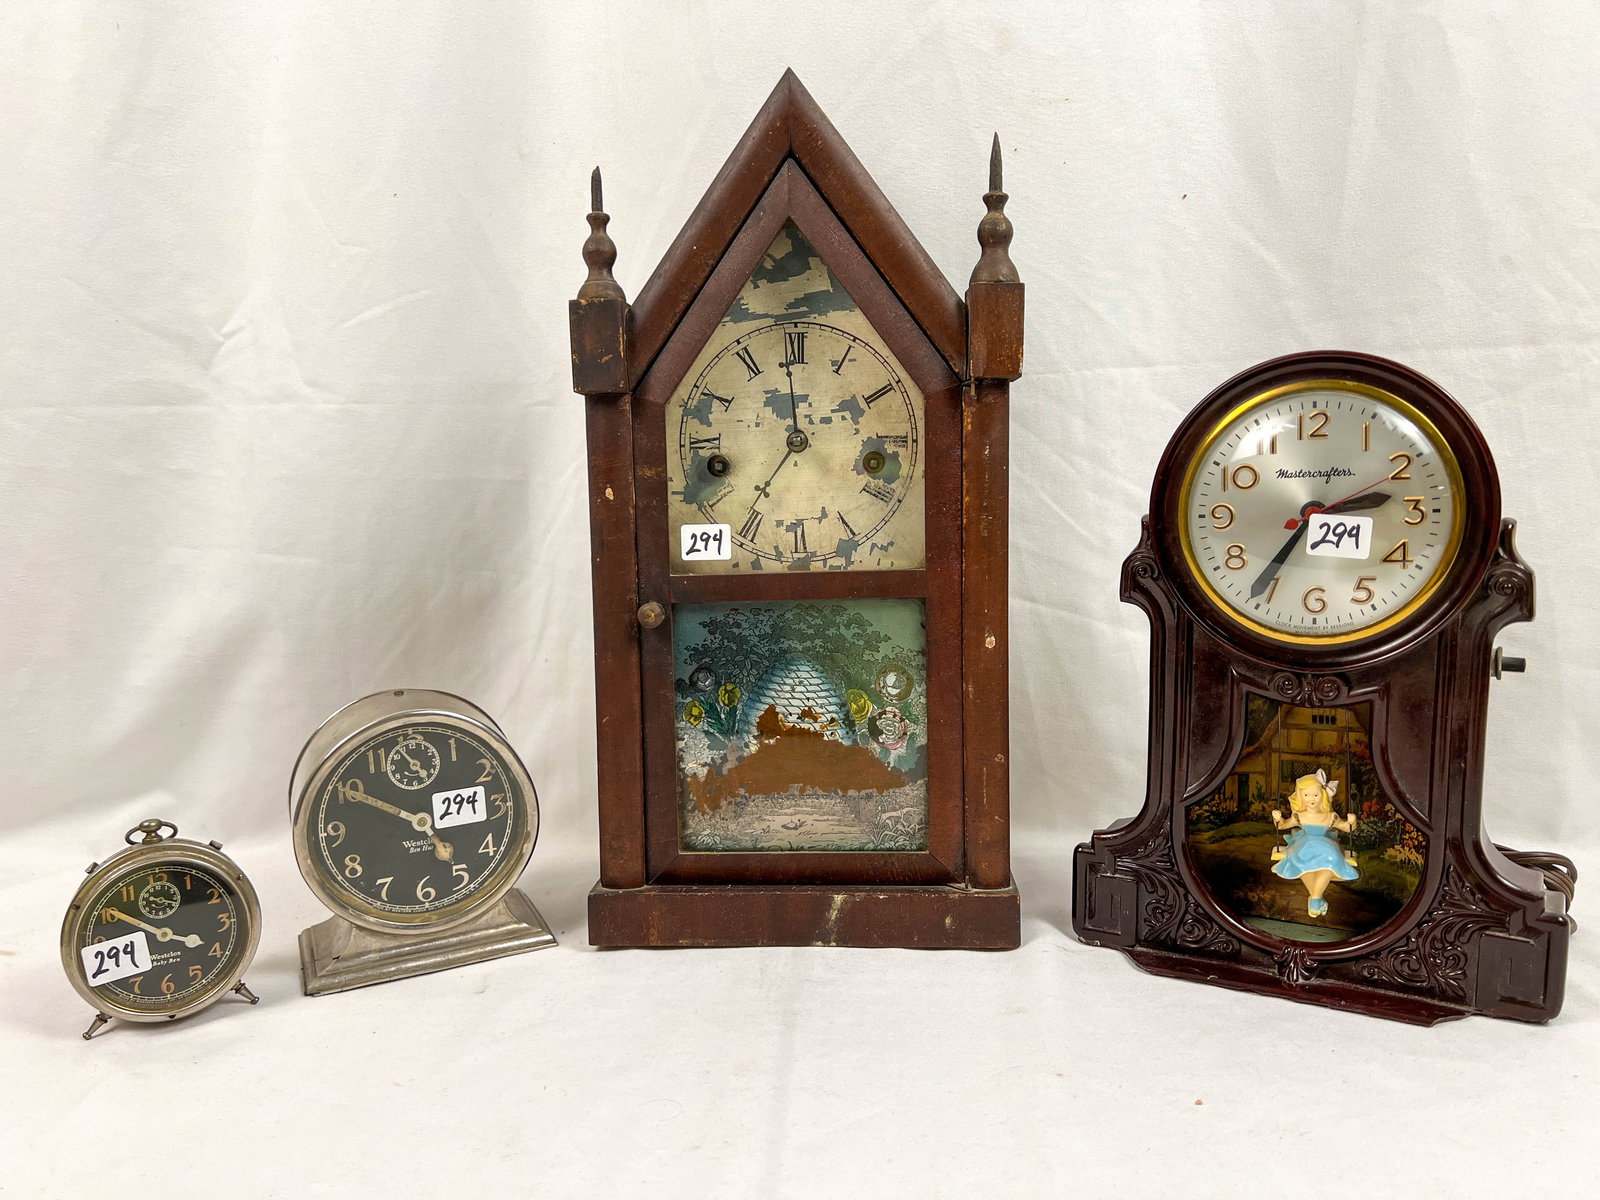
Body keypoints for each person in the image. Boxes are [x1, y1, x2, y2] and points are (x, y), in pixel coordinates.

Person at [1271, 769, 1358, 917]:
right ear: (1301, 797)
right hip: (1304, 844)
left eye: (1316, 795)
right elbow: (1282, 826)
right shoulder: (1300, 816)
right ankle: (1316, 899)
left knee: (1332, 860)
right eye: (1306, 795)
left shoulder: (1330, 816)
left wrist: (1352, 821)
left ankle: (1315, 898)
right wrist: (1278, 818)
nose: (1311, 799)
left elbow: (1346, 828)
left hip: (1326, 846)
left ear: (1323, 796)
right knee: (1303, 862)